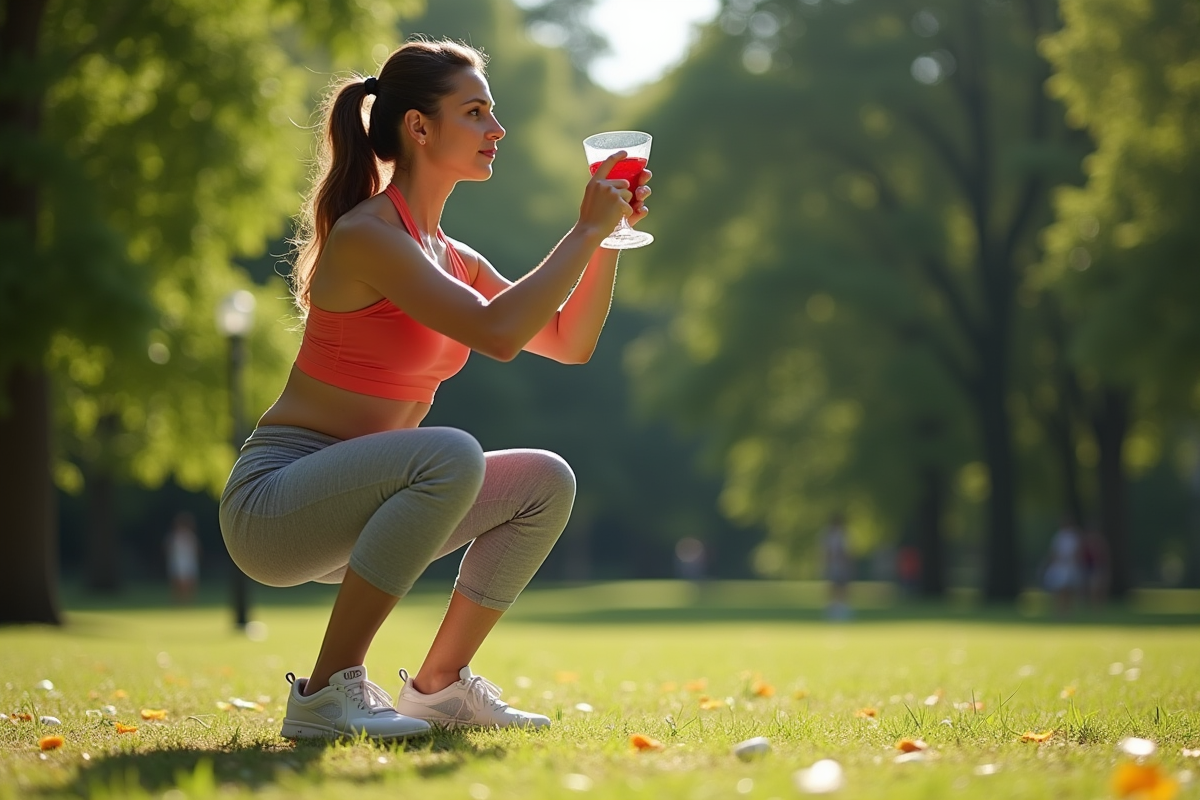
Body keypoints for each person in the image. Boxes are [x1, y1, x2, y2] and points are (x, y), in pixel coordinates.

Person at [218, 39, 651, 740]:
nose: (496, 130)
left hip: (367, 507)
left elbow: (568, 343)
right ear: (419, 128)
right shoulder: (368, 236)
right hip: (275, 504)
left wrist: (607, 241)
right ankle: (326, 695)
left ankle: (440, 687)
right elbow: (501, 334)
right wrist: (580, 229)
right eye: (475, 112)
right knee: (448, 451)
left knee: (546, 480)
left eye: (492, 113)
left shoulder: (452, 255)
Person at [1043, 520, 1083, 616]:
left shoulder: (1073, 537)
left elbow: (1077, 551)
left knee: (1068, 589)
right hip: (1059, 566)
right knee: (1058, 589)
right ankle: (1059, 610)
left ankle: (1067, 610)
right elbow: (1053, 551)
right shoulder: (1058, 536)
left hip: (1070, 566)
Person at [820, 514, 853, 620]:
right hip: (833, 565)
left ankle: (842, 608)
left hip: (841, 565)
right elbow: (826, 552)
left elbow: (847, 552)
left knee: (842, 587)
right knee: (833, 587)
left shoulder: (844, 535)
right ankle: (833, 609)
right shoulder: (829, 535)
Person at [165, 512, 200, 604]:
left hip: (188, 561)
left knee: (189, 582)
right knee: (177, 582)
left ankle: (187, 601)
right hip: (178, 561)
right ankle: (179, 601)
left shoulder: (190, 536)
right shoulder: (175, 537)